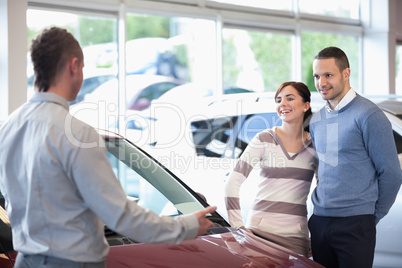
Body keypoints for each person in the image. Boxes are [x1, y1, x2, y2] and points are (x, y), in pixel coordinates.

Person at [0, 27, 216, 268]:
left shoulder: (8, 128)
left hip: (24, 261)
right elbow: (120, 216)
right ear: (74, 66)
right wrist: (186, 225)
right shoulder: (77, 134)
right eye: (82, 68)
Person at [308, 46, 402, 268]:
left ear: (346, 74)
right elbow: (325, 168)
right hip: (320, 221)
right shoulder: (316, 120)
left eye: (328, 75)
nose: (321, 83)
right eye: (317, 76)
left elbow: (390, 173)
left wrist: (370, 217)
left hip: (355, 223)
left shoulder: (369, 115)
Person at [225, 81, 317, 257]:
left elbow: (325, 193)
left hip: (296, 238)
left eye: (290, 98)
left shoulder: (314, 145)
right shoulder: (264, 139)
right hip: (259, 235)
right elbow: (232, 183)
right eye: (278, 99)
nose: (282, 103)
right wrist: (238, 228)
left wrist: (318, 236)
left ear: (306, 105)